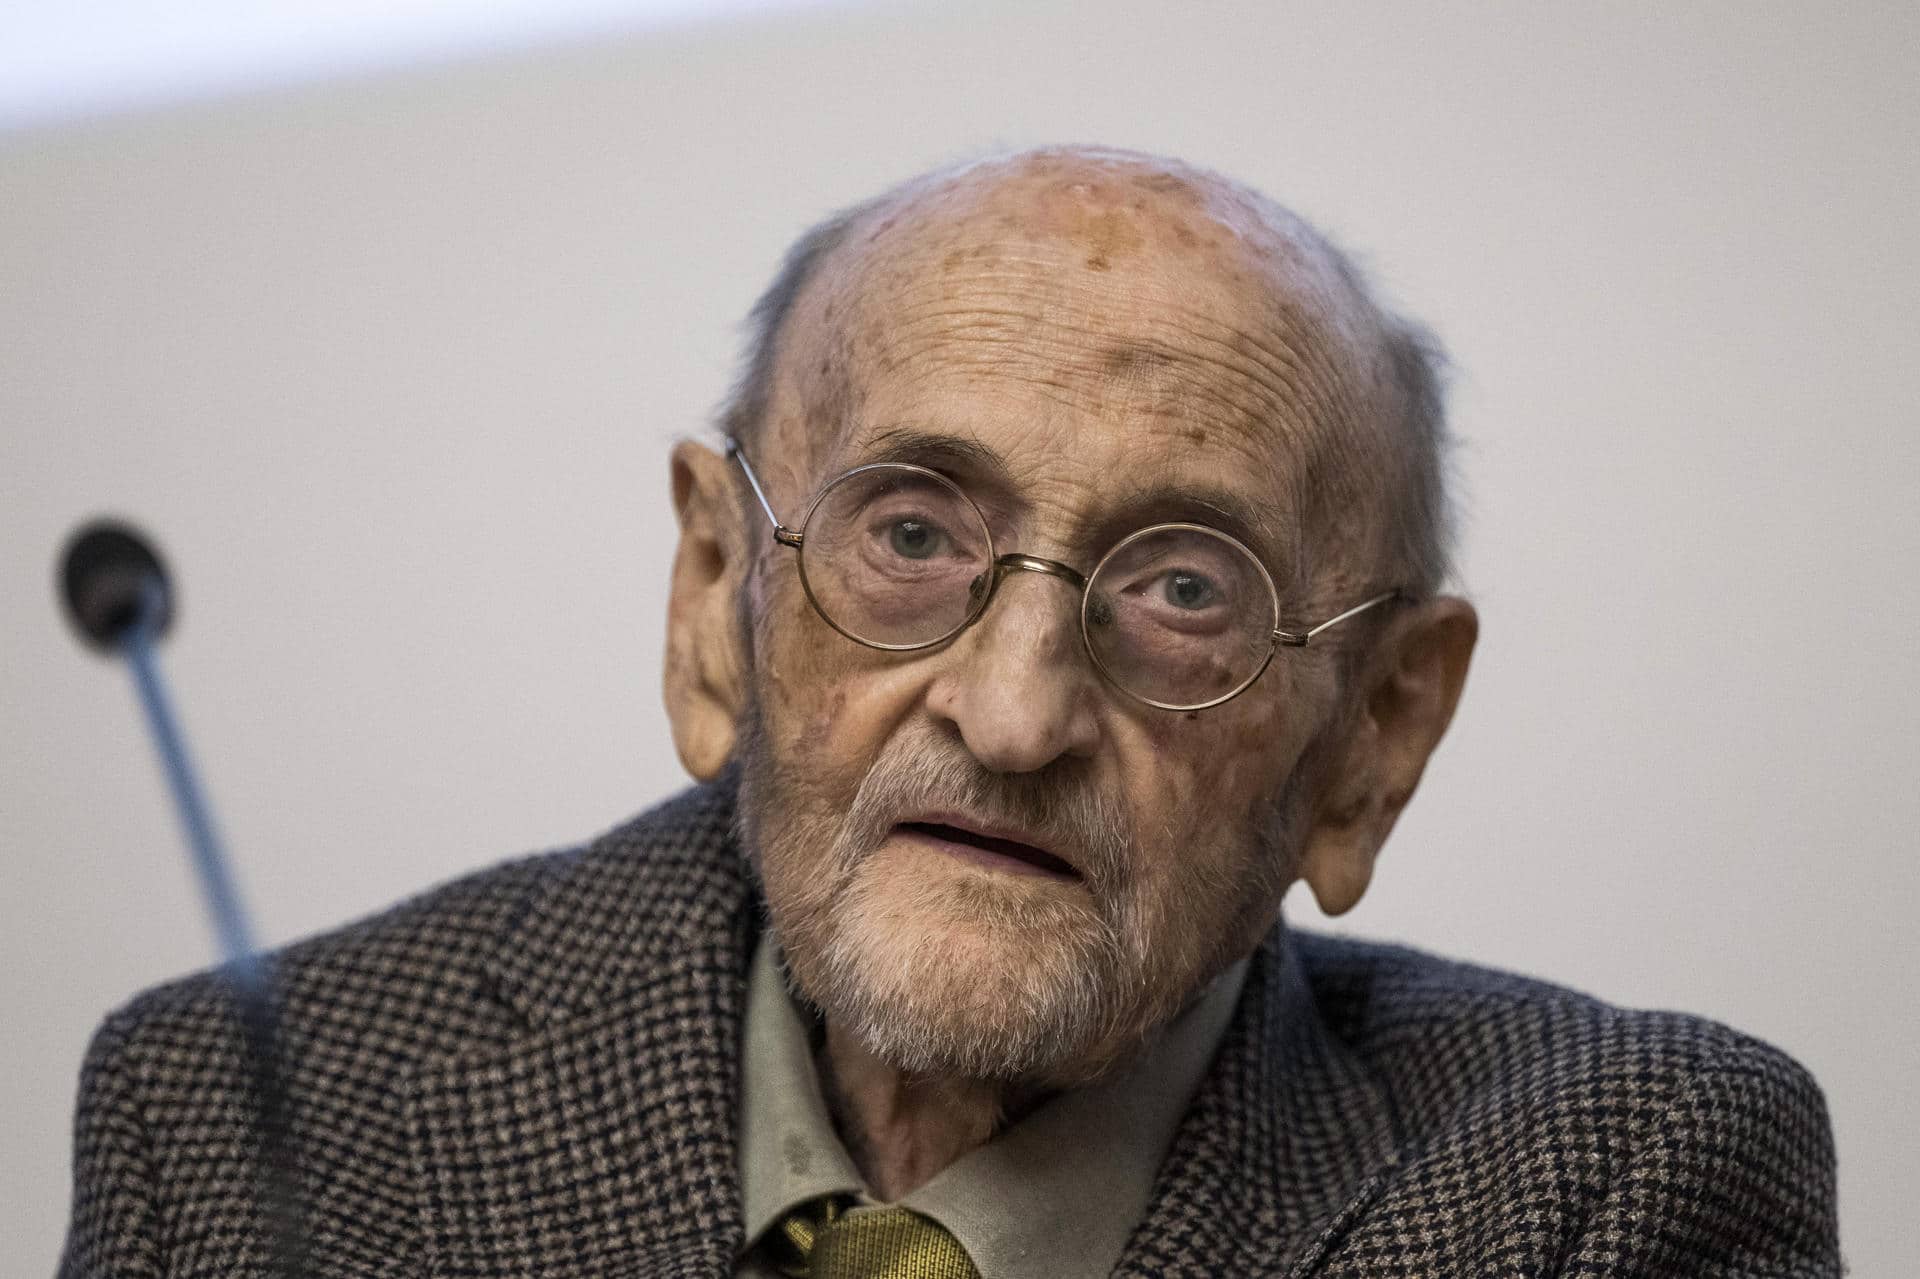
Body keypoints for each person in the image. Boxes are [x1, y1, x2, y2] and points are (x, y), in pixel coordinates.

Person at [60, 147, 1841, 1278]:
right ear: (710, 596)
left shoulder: (1607, 1189)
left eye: (1183, 588)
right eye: (911, 534)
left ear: (1373, 735)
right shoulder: (241, 1124)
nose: (1009, 717)